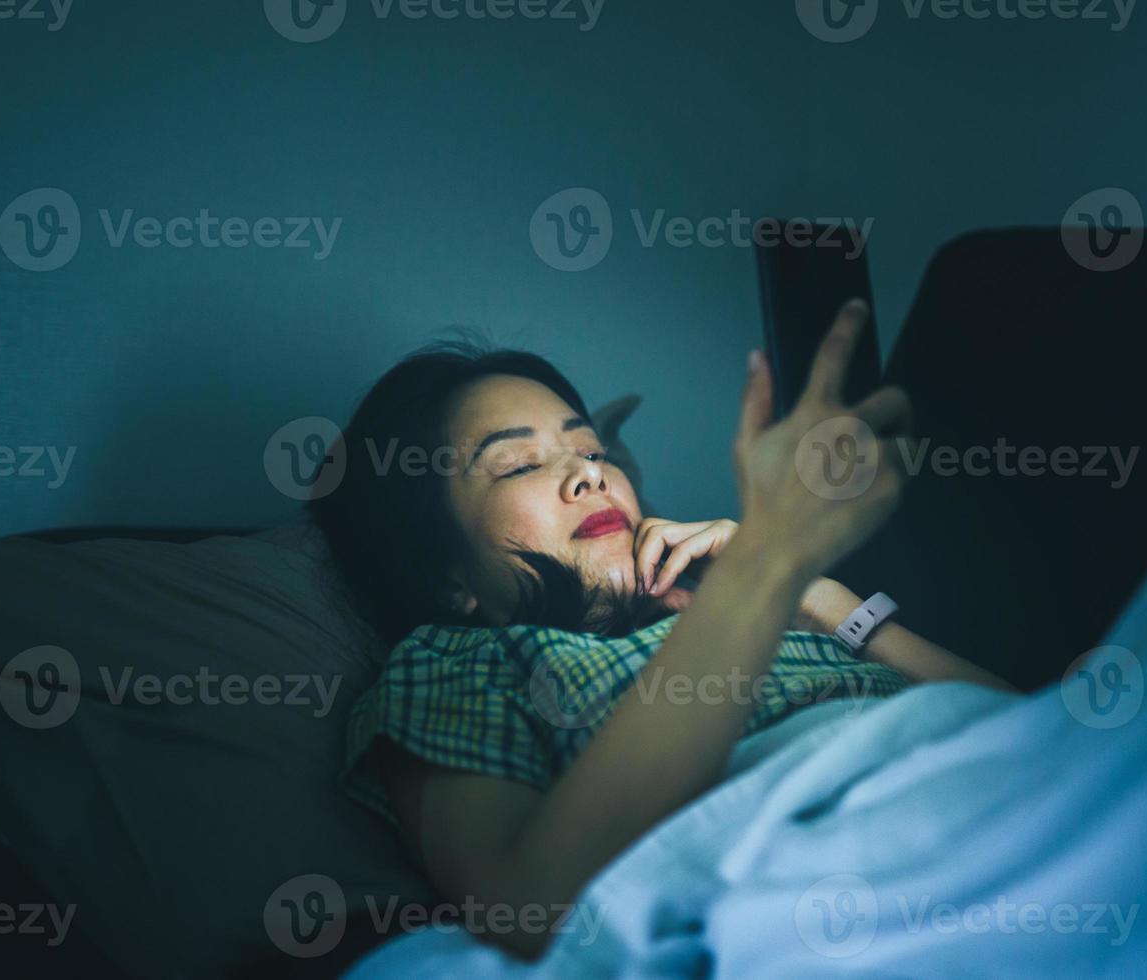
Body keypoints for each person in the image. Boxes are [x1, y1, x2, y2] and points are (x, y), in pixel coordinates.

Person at [311, 301, 1015, 958]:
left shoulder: (763, 599)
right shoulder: (456, 662)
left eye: (593, 452)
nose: (587, 475)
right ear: (446, 576)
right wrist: (771, 561)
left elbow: (1034, 726)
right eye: (521, 463)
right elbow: (524, 910)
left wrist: (817, 595)